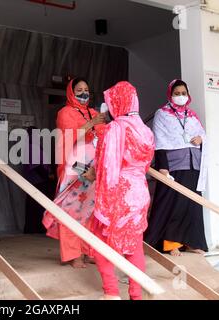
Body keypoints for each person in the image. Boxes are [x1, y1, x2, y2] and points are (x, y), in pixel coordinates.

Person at [84, 81, 155, 300]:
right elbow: (144, 164)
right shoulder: (144, 129)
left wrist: (92, 174)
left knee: (102, 242)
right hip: (139, 192)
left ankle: (112, 293)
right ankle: (136, 294)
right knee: (134, 246)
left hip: (118, 192)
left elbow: (106, 164)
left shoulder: (115, 128)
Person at [42, 78, 106, 268]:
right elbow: (69, 137)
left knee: (91, 211)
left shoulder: (94, 112)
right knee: (71, 211)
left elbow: (103, 136)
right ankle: (73, 254)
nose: (84, 93)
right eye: (79, 90)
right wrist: (91, 123)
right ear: (71, 92)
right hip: (74, 166)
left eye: (86, 89)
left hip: (94, 166)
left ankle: (89, 250)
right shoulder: (65, 112)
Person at [144, 79, 208, 257]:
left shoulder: (192, 115)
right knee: (174, 204)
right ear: (170, 95)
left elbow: (202, 135)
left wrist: (201, 140)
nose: (181, 96)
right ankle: (170, 243)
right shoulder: (162, 114)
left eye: (183, 93)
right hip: (174, 165)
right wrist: (163, 167)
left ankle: (192, 242)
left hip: (193, 163)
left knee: (192, 205)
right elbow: (159, 142)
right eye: (177, 93)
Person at [23, 126, 55, 234]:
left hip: (34, 180)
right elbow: (37, 166)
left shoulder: (31, 146)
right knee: (37, 206)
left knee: (33, 205)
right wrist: (48, 176)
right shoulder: (32, 147)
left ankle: (31, 229)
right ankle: (37, 228)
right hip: (37, 181)